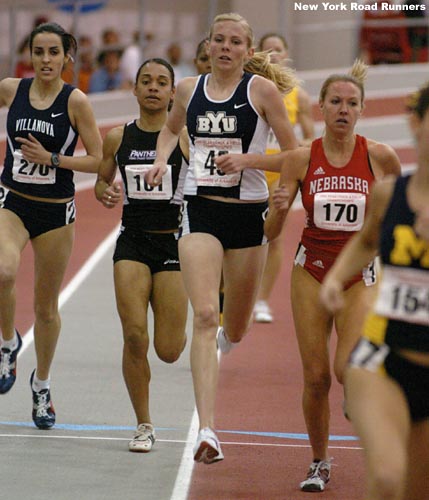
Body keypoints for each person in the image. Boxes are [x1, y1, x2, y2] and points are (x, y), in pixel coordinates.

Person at [145, 12, 298, 464]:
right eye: (219, 40)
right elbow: (172, 129)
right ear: (208, 45)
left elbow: (294, 153)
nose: (226, 47)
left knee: (236, 326)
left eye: (235, 42)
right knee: (206, 313)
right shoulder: (189, 90)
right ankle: (208, 431)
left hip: (249, 217)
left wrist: (250, 162)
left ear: (247, 51)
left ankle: (230, 336)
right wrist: (160, 160)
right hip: (201, 210)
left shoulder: (261, 92)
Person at [263, 60, 401, 491]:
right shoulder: (301, 159)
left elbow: (403, 218)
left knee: (347, 370)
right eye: (336, 102)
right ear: (320, 107)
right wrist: (279, 208)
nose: (344, 109)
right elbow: (270, 233)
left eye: (352, 103)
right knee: (317, 376)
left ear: (362, 110)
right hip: (311, 272)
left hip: (359, 275)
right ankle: (320, 461)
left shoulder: (379, 157)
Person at [319, 82, 429, 500]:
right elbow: (367, 240)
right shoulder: (390, 193)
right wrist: (334, 278)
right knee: (385, 478)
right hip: (383, 360)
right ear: (416, 124)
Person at [0, 22, 102, 429]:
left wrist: (54, 160)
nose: (45, 60)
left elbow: (98, 161)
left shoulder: (76, 102)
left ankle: (41, 384)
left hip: (56, 212)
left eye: (53, 53)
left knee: (45, 309)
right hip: (12, 201)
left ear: (66, 57)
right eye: (38, 52)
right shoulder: (12, 89)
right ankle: (8, 343)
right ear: (30, 55)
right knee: (4, 270)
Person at [94, 58, 188, 452]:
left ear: (172, 93)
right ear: (133, 89)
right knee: (134, 335)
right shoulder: (118, 138)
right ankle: (144, 424)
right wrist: (106, 192)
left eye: (161, 82)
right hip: (132, 241)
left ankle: (197, 321)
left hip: (173, 244)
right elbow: (101, 181)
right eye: (145, 81)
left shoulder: (185, 137)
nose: (153, 87)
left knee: (167, 350)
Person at [253, 32, 315, 323]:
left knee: (273, 236)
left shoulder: (298, 95)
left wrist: (299, 148)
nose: (273, 55)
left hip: (281, 173)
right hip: (251, 169)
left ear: (286, 54)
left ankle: (262, 301)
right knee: (242, 234)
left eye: (278, 50)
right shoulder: (250, 89)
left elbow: (310, 135)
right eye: (267, 50)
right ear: (257, 55)